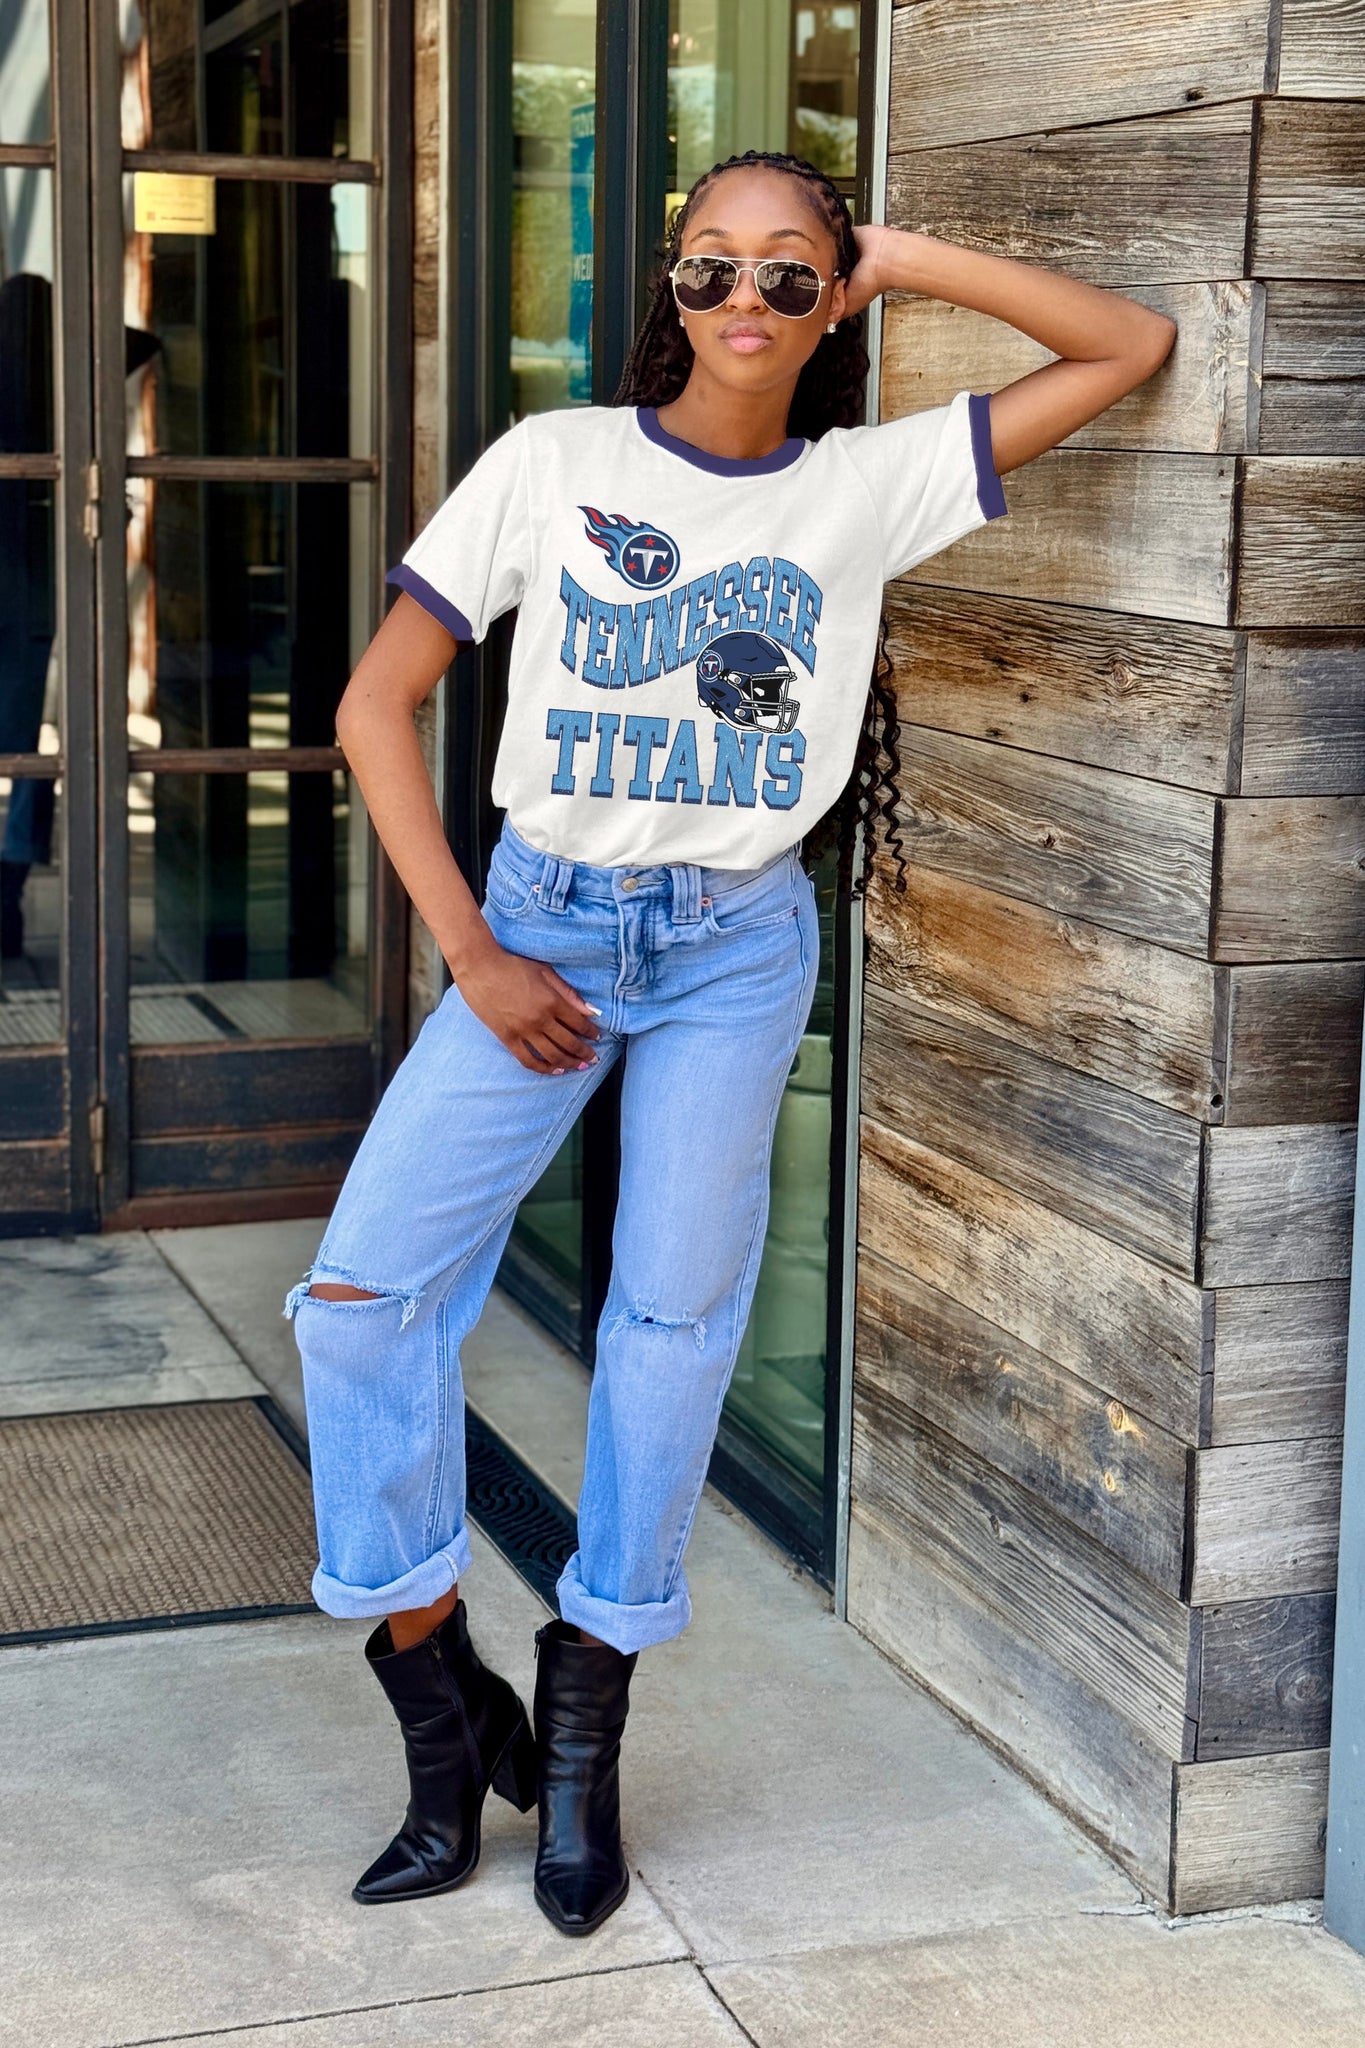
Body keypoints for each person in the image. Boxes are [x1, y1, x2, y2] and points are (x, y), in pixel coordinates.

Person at [284, 148, 1176, 1936]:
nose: (746, 300)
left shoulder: (864, 486)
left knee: (673, 1328)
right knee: (362, 1303)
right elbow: (375, 706)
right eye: (711, 266)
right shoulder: (556, 463)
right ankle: (441, 1704)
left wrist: (891, 252)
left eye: (787, 273)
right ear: (666, 285)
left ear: (827, 300)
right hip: (535, 930)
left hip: (730, 949)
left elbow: (1124, 344)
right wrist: (472, 952)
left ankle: (586, 1724)